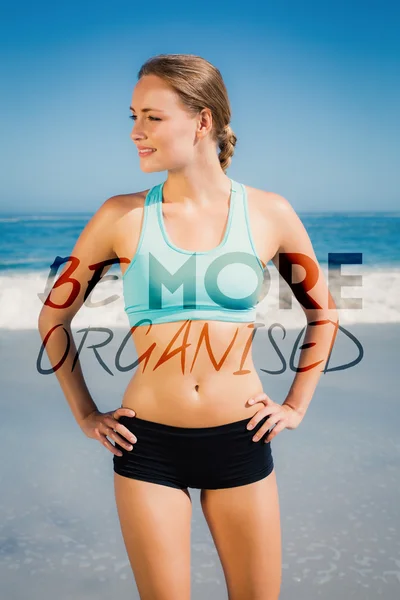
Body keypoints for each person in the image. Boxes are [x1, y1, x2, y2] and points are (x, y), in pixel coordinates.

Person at [38, 54, 339, 600]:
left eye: (152, 117)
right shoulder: (119, 216)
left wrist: (296, 406)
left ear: (202, 121)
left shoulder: (270, 212)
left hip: (241, 439)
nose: (135, 132)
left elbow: (324, 310)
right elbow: (54, 315)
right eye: (132, 116)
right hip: (147, 444)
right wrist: (84, 412)